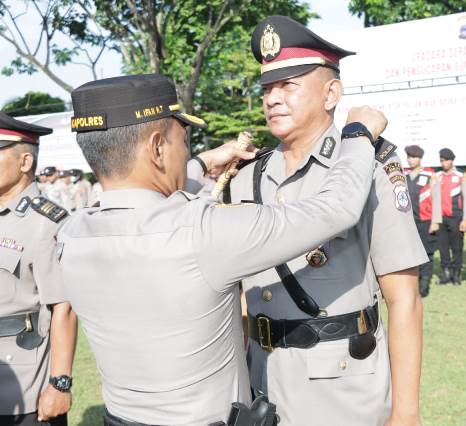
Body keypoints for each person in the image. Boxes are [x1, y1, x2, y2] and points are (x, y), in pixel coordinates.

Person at [57, 73, 387, 425]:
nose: (187, 152)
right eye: (182, 141)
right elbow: (335, 209)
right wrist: (357, 136)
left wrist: (200, 163)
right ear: (157, 148)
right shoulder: (203, 232)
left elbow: (147, 198)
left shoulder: (70, 236)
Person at [229, 16, 426, 426]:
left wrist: (406, 413)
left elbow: (403, 297)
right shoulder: (247, 176)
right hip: (262, 377)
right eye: (267, 88)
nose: (272, 99)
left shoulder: (369, 166)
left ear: (331, 93)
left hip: (342, 385)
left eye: (289, 85)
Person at [0, 112, 77, 425]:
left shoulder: (46, 222)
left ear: (25, 162)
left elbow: (65, 307)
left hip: (23, 373)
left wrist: (60, 383)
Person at [405, 145, 441, 297]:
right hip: (407, 222)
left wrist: (435, 221)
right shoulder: (402, 174)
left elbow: (437, 198)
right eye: (409, 157)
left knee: (427, 253)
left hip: (426, 220)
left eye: (414, 157)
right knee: (409, 254)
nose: (411, 160)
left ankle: (424, 285)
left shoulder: (430, 175)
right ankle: (412, 284)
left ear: (420, 159)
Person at [434, 148, 466, 285]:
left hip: (456, 217)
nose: (444, 163)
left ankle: (456, 274)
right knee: (443, 248)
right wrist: (435, 220)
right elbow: (435, 199)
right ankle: (446, 274)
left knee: (457, 248)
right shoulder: (437, 176)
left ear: (452, 161)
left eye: (446, 160)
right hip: (441, 218)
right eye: (442, 160)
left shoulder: (462, 175)